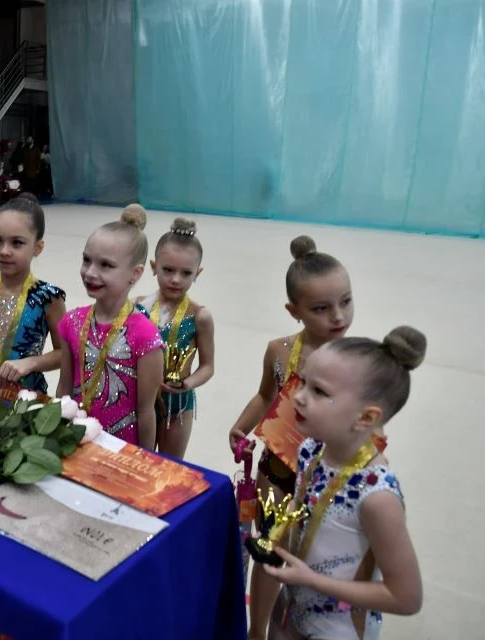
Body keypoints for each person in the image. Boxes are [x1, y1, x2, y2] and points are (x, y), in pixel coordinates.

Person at [227, 235, 356, 639]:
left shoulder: (357, 360)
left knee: (320, 553)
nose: (338, 316)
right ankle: (258, 631)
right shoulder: (280, 351)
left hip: (329, 477)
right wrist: (241, 425)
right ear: (294, 311)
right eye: (321, 308)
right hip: (279, 471)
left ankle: (310, 622)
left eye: (346, 301)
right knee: (272, 548)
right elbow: (266, 394)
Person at [264, 327, 425, 639]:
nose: (298, 396)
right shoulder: (313, 448)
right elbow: (303, 506)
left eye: (319, 392)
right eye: (304, 382)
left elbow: (406, 597)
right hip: (291, 609)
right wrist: (272, 532)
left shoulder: (377, 497)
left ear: (365, 418)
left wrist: (311, 580)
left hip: (337, 627)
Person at [57, 204, 163, 449]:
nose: (90, 272)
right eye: (86, 260)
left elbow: (146, 410)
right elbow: (64, 386)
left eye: (106, 265)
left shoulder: (145, 336)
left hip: (121, 449)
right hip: (72, 440)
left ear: (135, 274)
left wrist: (145, 459)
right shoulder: (71, 322)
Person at [0, 193, 66, 395]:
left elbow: (65, 353)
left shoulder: (47, 297)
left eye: (17, 243)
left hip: (26, 400)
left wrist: (32, 362)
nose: (4, 251)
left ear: (37, 247)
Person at [135, 218, 214, 459]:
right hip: (139, 398)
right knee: (138, 463)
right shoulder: (137, 307)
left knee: (170, 468)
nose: (176, 279)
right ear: (153, 266)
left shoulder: (200, 315)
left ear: (197, 273)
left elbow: (208, 366)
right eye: (168, 270)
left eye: (186, 273)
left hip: (177, 404)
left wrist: (187, 384)